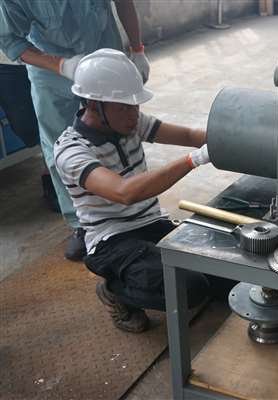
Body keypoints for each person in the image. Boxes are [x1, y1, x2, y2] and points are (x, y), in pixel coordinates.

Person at [54, 49, 233, 333]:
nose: (134, 114)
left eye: (135, 105)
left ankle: (151, 276)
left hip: (151, 224)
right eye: (124, 107)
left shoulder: (130, 123)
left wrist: (232, 139)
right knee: (189, 289)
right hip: (112, 240)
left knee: (227, 272)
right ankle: (115, 290)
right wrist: (194, 159)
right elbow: (124, 192)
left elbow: (188, 135)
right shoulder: (71, 150)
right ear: (94, 104)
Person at [0, 0, 151, 261]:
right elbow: (11, 41)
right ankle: (83, 225)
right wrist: (61, 65)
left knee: (120, 131)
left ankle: (137, 211)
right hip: (50, 71)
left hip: (103, 55)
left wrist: (137, 49)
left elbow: (123, 2)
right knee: (59, 147)